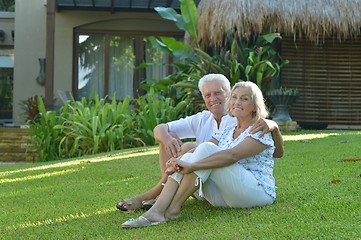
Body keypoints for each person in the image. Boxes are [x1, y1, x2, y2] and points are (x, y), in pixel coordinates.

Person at [121, 81, 280, 228]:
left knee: (204, 150)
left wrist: (192, 166)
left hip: (257, 192)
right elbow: (197, 151)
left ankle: (172, 209)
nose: (237, 102)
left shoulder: (260, 130)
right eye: (234, 97)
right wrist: (179, 161)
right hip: (228, 196)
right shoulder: (227, 131)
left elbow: (232, 155)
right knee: (194, 153)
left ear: (254, 106)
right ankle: (158, 211)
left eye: (244, 99)